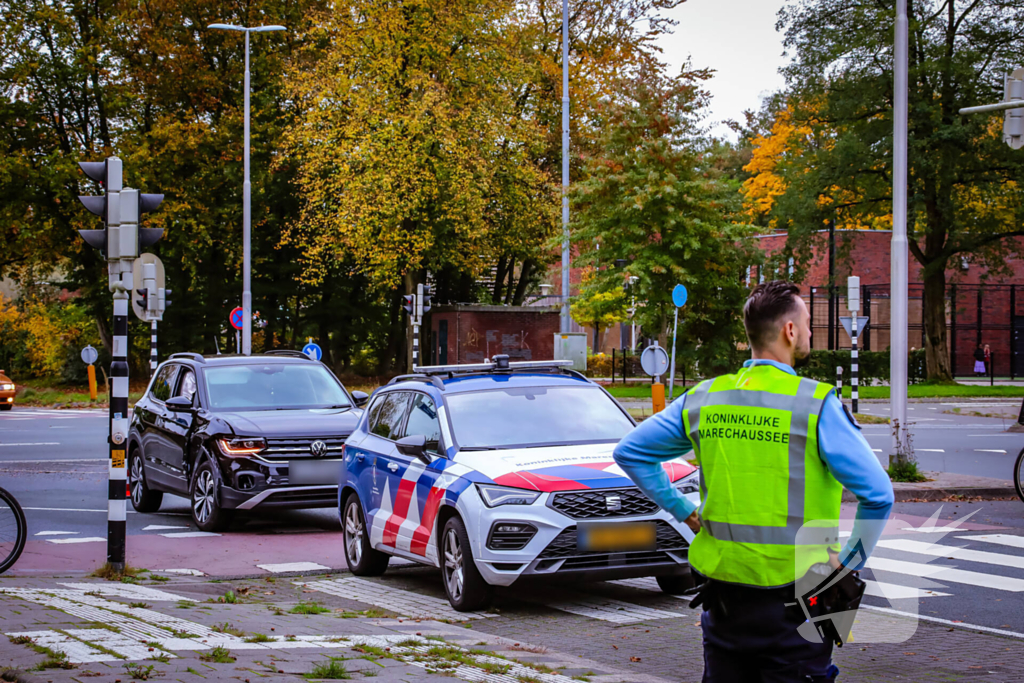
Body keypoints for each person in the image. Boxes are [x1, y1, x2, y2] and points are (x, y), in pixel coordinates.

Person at [613, 280, 894, 682]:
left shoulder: (707, 398)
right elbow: (878, 496)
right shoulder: (815, 405)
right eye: (808, 324)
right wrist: (847, 565)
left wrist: (683, 510)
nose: (810, 332)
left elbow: (631, 452)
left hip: (724, 602)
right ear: (790, 331)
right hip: (801, 601)